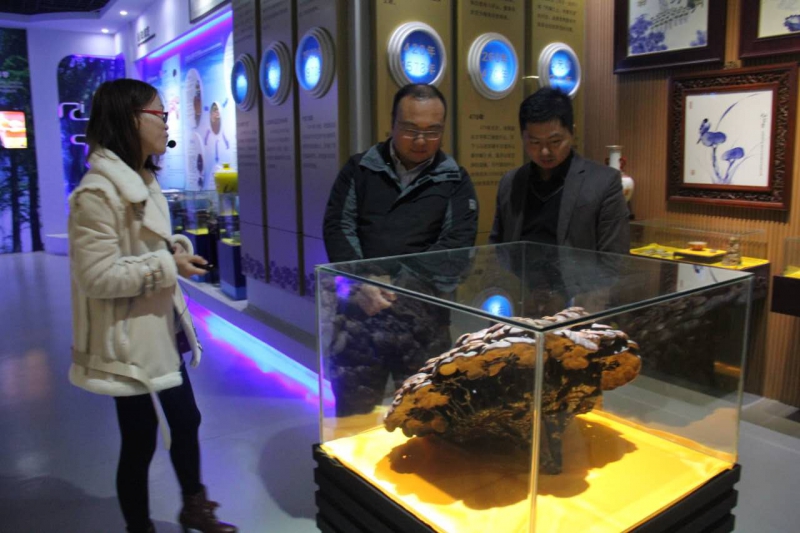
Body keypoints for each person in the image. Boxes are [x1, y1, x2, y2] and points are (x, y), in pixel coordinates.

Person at [68, 79, 236, 533]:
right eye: (159, 114)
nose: (166, 124)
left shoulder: (142, 178)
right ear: (131, 119)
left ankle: (194, 506)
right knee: (140, 438)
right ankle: (140, 526)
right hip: (126, 337)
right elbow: (96, 276)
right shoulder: (97, 193)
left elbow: (141, 247)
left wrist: (172, 251)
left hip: (158, 327)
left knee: (185, 418)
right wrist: (166, 265)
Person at [322, 83, 478, 416]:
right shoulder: (360, 169)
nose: (421, 140)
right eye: (410, 129)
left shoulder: (454, 179)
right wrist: (364, 281)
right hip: (360, 315)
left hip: (424, 320)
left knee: (425, 413)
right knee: (355, 415)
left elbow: (456, 246)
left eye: (432, 131)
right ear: (392, 124)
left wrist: (396, 287)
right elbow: (338, 228)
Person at [489, 87, 630, 253]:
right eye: (535, 142)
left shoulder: (604, 183)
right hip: (519, 271)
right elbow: (497, 248)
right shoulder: (511, 182)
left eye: (555, 141)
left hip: (578, 272)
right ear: (522, 137)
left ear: (572, 132)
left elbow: (614, 258)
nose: (544, 152)